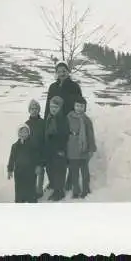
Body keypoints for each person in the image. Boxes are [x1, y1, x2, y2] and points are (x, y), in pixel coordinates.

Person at [44, 60, 83, 191]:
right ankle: (54, 181)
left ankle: (69, 181)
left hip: (70, 123)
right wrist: (46, 123)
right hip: (55, 124)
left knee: (70, 154)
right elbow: (47, 107)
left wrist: (79, 120)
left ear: (68, 71)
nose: (62, 73)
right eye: (59, 71)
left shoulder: (75, 87)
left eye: (64, 71)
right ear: (56, 73)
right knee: (54, 154)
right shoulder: (52, 87)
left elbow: (80, 105)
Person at [66, 95, 97, 199]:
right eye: (77, 106)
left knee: (84, 172)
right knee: (74, 171)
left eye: (81, 106)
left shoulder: (87, 120)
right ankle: (76, 190)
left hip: (84, 148)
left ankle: (85, 189)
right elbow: (65, 132)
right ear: (74, 106)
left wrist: (92, 149)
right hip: (72, 147)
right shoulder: (69, 117)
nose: (79, 108)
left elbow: (90, 135)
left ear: (84, 107)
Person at [7, 124, 42, 203]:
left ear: (28, 133)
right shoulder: (15, 146)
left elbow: (38, 157)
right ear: (18, 134)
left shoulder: (33, 144)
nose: (23, 134)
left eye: (25, 132)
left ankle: (32, 202)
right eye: (21, 132)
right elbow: (12, 159)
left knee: (31, 190)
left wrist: (38, 166)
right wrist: (10, 170)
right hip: (19, 172)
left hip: (30, 172)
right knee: (19, 190)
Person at [44, 96, 70, 201]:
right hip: (50, 148)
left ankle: (59, 192)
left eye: (56, 107)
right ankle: (54, 185)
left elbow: (64, 136)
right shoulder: (49, 117)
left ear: (60, 108)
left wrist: (61, 150)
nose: (53, 109)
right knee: (50, 168)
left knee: (59, 171)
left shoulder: (62, 119)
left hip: (59, 150)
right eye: (51, 106)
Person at [24, 99, 46, 199]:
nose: (34, 110)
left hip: (41, 151)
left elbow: (45, 138)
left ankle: (39, 190)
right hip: (30, 152)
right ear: (29, 110)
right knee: (30, 172)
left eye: (36, 108)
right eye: (32, 109)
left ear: (39, 110)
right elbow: (23, 138)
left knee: (40, 171)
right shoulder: (26, 124)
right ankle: (31, 190)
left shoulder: (43, 123)